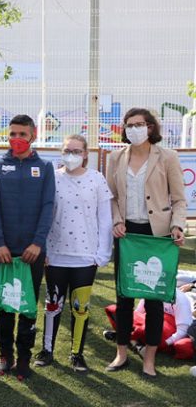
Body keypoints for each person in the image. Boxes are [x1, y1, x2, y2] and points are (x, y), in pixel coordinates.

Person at [105, 107, 186, 378]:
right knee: (124, 295)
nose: (134, 129)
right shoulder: (115, 158)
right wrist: (116, 220)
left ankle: (149, 359)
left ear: (151, 127)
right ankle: (121, 353)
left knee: (153, 299)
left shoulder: (168, 157)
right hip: (127, 235)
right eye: (129, 125)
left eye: (139, 124)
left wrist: (177, 225)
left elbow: (178, 199)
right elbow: (112, 197)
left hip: (157, 236)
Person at [32, 134, 112, 373]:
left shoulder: (97, 179)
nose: (72, 155)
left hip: (86, 256)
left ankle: (77, 353)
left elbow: (105, 219)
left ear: (86, 154)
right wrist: (43, 248)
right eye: (68, 150)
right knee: (52, 305)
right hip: (55, 255)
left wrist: (102, 252)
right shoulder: (52, 178)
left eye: (77, 151)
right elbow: (44, 216)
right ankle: (47, 350)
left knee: (81, 307)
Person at [0, 114, 55, 380]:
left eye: (22, 134)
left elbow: (48, 206)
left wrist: (38, 243)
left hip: (33, 252)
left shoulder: (45, 167)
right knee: (6, 305)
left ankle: (25, 357)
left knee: (27, 305)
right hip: (4, 251)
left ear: (33, 134)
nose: (17, 139)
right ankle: (6, 355)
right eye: (12, 134)